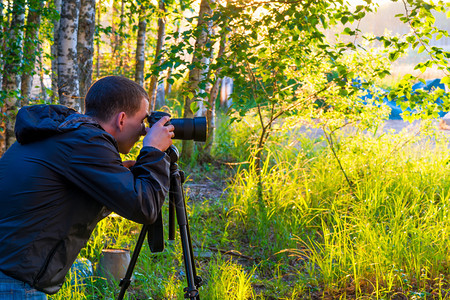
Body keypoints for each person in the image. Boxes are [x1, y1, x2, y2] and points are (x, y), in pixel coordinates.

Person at [0, 76, 175, 298]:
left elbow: (62, 198)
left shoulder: (65, 133)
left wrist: (117, 174)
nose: (143, 131)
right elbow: (145, 207)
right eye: (142, 121)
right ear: (121, 119)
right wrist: (153, 151)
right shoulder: (87, 141)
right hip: (13, 285)